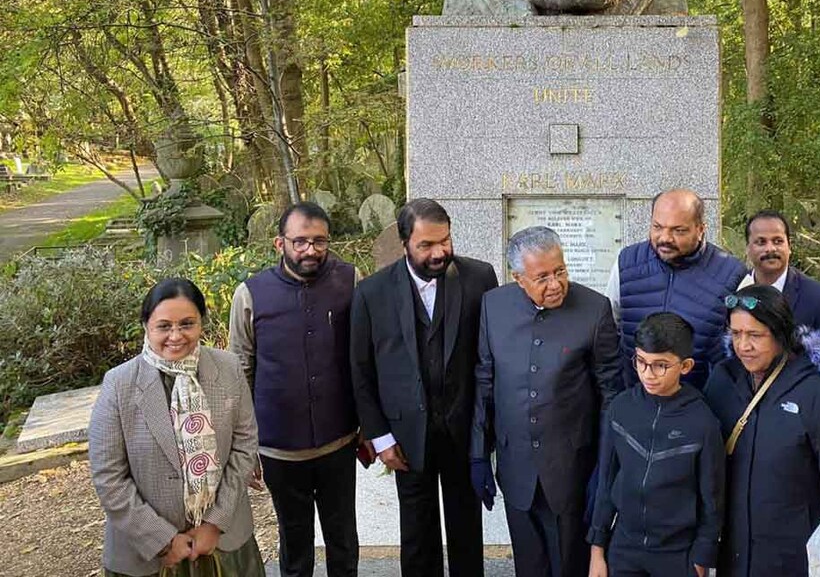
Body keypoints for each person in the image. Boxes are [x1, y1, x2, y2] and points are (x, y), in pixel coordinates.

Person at [351, 198, 498, 577]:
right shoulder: (371, 293)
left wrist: (488, 429)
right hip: (404, 436)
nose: (439, 252)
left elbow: (490, 357)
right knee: (417, 534)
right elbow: (361, 370)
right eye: (426, 246)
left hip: (463, 431)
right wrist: (379, 437)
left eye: (445, 241)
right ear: (404, 244)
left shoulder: (480, 277)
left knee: (467, 530)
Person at [471, 226, 623, 577]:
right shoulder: (494, 306)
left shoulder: (594, 309)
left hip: (571, 469)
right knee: (530, 567)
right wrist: (478, 452)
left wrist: (605, 463)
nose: (555, 284)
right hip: (516, 467)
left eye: (560, 271)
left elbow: (610, 394)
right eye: (542, 277)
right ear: (518, 278)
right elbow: (485, 381)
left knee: (568, 566)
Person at [89, 278, 264, 577]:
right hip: (147, 554)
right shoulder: (120, 384)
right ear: (146, 325)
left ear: (201, 323)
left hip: (225, 542)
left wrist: (214, 523)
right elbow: (109, 476)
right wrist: (163, 539)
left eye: (187, 324)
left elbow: (244, 446)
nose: (176, 336)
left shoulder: (228, 368)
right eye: (163, 326)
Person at [227, 202, 359, 577]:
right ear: (279, 243)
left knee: (343, 538)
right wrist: (245, 444)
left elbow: (361, 358)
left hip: (338, 439)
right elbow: (241, 371)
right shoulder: (250, 294)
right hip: (279, 447)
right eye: (300, 241)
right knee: (294, 540)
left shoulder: (350, 280)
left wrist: (368, 425)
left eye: (319, 241)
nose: (310, 250)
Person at [702, 284, 820, 576]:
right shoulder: (723, 381)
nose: (743, 346)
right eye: (736, 334)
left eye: (755, 335)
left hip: (794, 559)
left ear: (781, 334)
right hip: (732, 556)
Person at [588, 312, 724, 577]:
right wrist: (597, 551)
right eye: (641, 362)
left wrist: (700, 561)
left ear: (685, 366)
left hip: (677, 555)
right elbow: (605, 482)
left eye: (660, 365)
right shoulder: (621, 408)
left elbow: (713, 500)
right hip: (623, 547)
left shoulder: (703, 422)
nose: (648, 374)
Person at [606, 189, 748, 388]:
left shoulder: (734, 275)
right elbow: (608, 329)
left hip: (701, 404)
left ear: (700, 229)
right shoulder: (626, 263)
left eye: (678, 230)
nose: (665, 237)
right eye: (657, 227)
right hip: (634, 401)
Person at [739, 210, 820, 332]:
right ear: (747, 248)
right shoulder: (734, 289)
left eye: (778, 241)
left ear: (789, 247)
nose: (770, 249)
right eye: (761, 242)